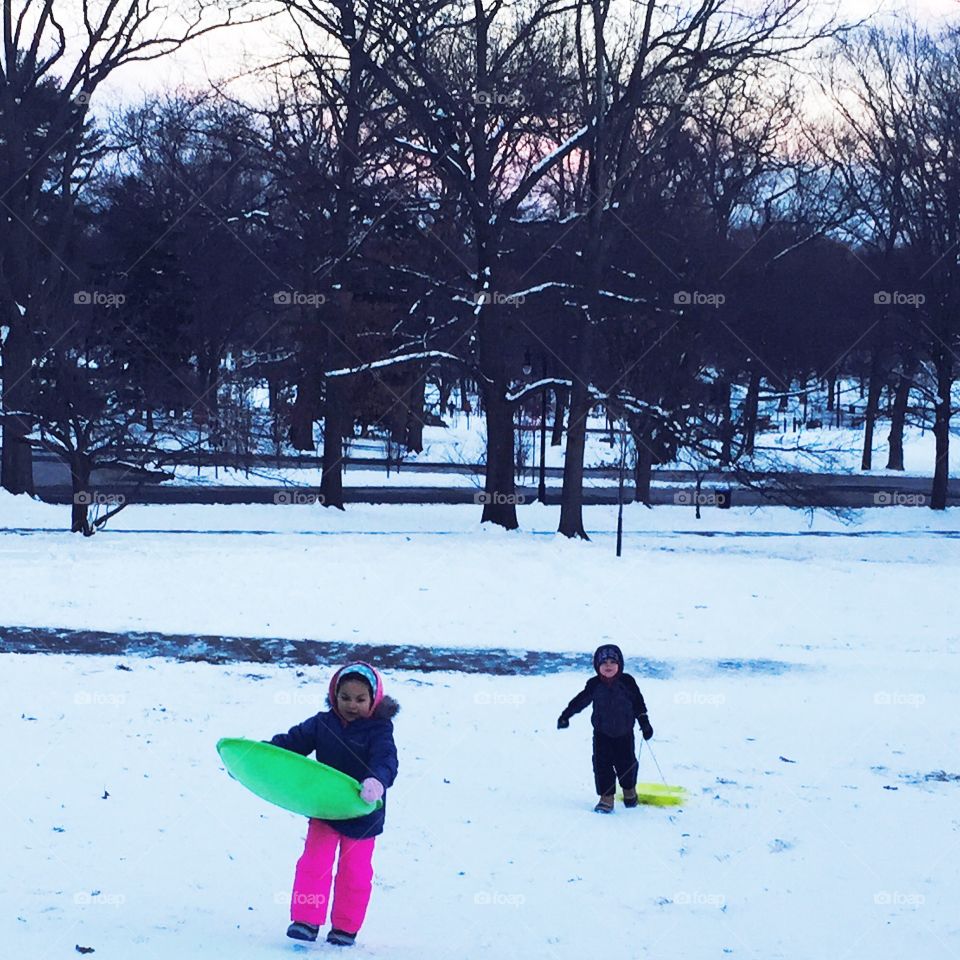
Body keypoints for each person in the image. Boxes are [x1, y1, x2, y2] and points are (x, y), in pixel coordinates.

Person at [269, 662, 399, 946]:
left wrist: (376, 782)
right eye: (345, 698)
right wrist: (259, 758)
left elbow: (386, 760)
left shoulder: (379, 730)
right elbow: (291, 744)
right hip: (325, 808)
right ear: (334, 696)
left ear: (373, 699)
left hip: (363, 812)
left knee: (355, 872)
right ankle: (306, 919)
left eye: (360, 699)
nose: (352, 705)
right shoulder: (322, 724)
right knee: (314, 864)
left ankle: (345, 926)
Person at [557, 644, 653, 813]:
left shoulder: (627, 682)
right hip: (602, 734)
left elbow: (638, 703)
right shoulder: (594, 684)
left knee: (627, 764)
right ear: (597, 666)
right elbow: (581, 701)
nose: (608, 666)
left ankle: (629, 790)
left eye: (612, 662)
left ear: (620, 665)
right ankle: (606, 798)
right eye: (604, 663)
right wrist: (566, 715)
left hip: (625, 734)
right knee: (602, 766)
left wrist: (644, 723)